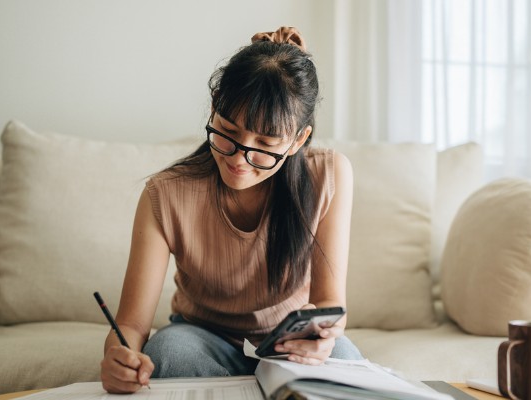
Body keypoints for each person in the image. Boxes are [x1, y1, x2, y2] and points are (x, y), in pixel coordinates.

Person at [99, 26, 362, 394]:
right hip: (202, 337)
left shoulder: (328, 175)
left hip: (289, 342)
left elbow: (330, 303)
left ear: (298, 140)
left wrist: (324, 336)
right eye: (228, 131)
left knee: (345, 362)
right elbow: (131, 324)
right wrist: (118, 355)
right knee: (168, 354)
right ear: (214, 107)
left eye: (265, 143)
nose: (239, 159)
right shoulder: (165, 194)